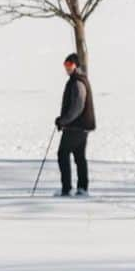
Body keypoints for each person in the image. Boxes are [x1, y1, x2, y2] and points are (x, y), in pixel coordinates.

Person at [55, 53, 96, 196]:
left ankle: (67, 189)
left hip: (76, 126)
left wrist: (63, 120)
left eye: (69, 65)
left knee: (63, 154)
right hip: (81, 126)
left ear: (76, 65)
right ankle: (82, 188)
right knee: (79, 156)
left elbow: (77, 107)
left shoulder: (77, 82)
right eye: (65, 65)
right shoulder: (78, 80)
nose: (67, 68)